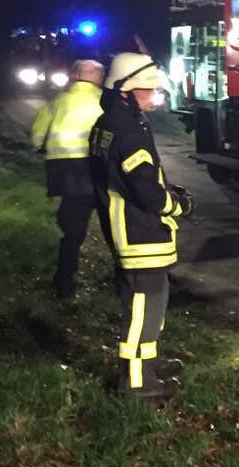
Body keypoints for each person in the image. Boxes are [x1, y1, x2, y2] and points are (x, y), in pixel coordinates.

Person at [88, 52, 194, 401]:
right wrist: (176, 204)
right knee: (143, 310)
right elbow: (145, 189)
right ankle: (136, 382)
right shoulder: (128, 130)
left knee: (151, 305)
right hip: (139, 233)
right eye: (146, 90)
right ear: (125, 91)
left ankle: (150, 363)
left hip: (127, 230)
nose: (153, 96)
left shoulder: (109, 124)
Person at [30, 59, 104, 299]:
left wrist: (38, 146)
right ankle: (125, 277)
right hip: (95, 168)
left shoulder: (58, 100)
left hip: (63, 170)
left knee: (73, 229)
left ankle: (64, 280)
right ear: (99, 77)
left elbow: (38, 131)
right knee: (114, 223)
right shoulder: (104, 101)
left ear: (76, 76)